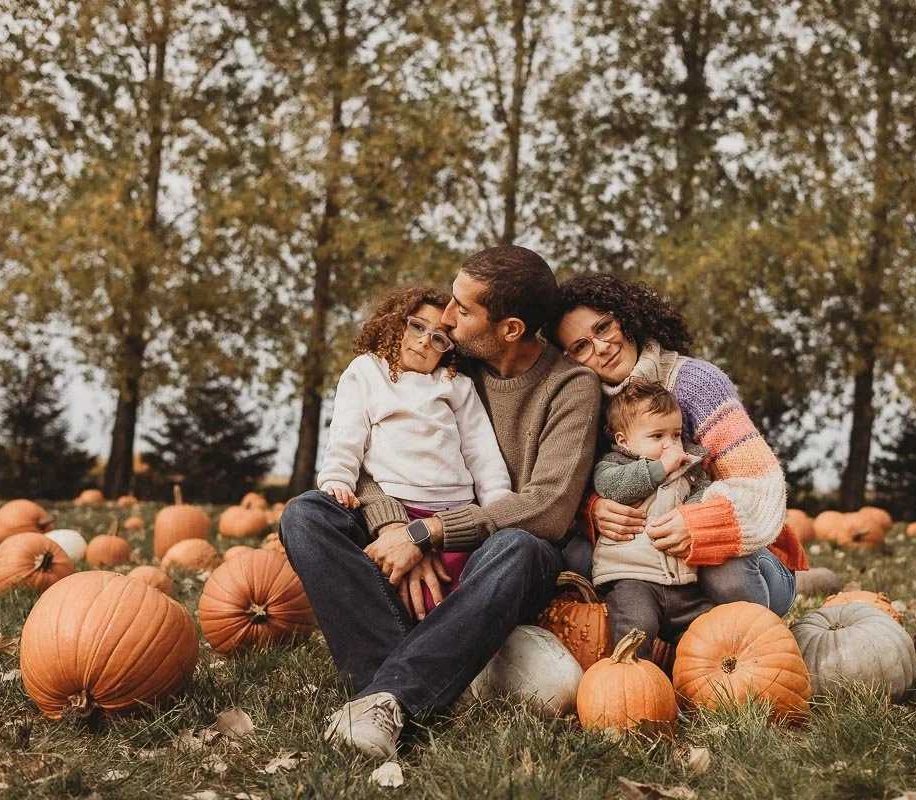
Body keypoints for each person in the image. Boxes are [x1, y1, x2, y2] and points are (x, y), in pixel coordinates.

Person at [279, 246, 600, 761]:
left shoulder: (570, 387)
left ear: (510, 329)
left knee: (522, 547)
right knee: (307, 514)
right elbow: (367, 453)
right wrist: (393, 527)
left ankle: (391, 696)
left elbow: (549, 506)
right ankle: (423, 677)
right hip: (405, 521)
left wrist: (432, 532)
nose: (446, 319)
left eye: (462, 310)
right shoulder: (448, 363)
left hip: (498, 553)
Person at [546, 275, 807, 615]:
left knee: (722, 572)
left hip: (748, 555)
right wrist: (592, 510)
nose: (601, 347)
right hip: (650, 551)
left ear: (624, 318)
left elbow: (760, 486)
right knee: (576, 558)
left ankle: (752, 645)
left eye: (603, 327)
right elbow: (574, 485)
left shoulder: (695, 383)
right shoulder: (586, 404)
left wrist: (700, 523)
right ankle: (661, 641)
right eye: (581, 346)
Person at [314, 285, 513, 612]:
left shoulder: (455, 384)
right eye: (417, 326)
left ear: (448, 350)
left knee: (452, 597)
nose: (424, 340)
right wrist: (338, 478)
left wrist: (496, 502)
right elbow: (348, 432)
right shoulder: (368, 371)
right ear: (395, 323)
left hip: (455, 512)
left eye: (438, 338)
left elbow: (481, 451)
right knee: (402, 592)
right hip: (399, 506)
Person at [592, 381, 715, 659]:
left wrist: (691, 514)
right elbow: (614, 488)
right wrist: (660, 468)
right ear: (624, 440)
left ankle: (689, 678)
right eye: (657, 436)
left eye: (675, 435)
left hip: (683, 583)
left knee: (706, 628)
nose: (670, 444)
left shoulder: (690, 470)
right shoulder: (614, 465)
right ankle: (634, 679)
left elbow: (704, 496)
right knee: (637, 626)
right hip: (633, 577)